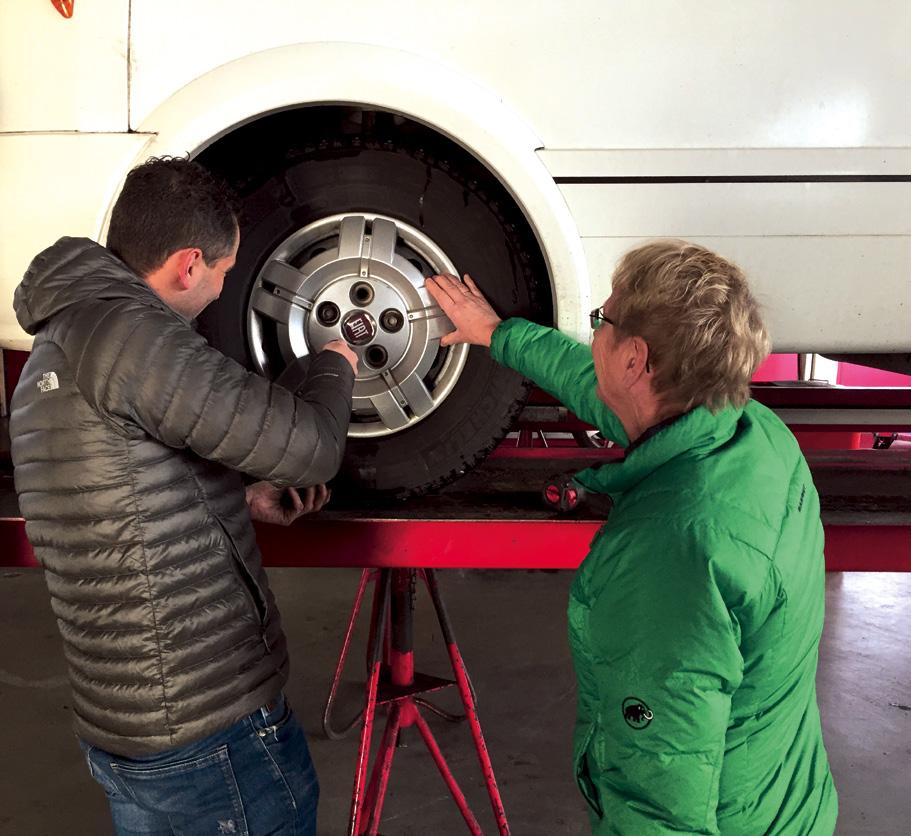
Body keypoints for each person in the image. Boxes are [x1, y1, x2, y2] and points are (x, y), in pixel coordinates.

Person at [426, 241, 838, 834]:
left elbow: (662, 793)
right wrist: (498, 334)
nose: (595, 331)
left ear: (635, 359)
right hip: (788, 803)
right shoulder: (756, 434)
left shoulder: (670, 557)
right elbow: (594, 382)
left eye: (602, 319)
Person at [9, 157, 359, 836]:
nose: (225, 287)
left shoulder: (58, 345)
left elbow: (114, 504)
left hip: (132, 734)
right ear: (188, 265)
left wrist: (239, 500)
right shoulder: (134, 338)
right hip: (210, 736)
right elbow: (311, 446)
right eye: (226, 271)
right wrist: (333, 363)